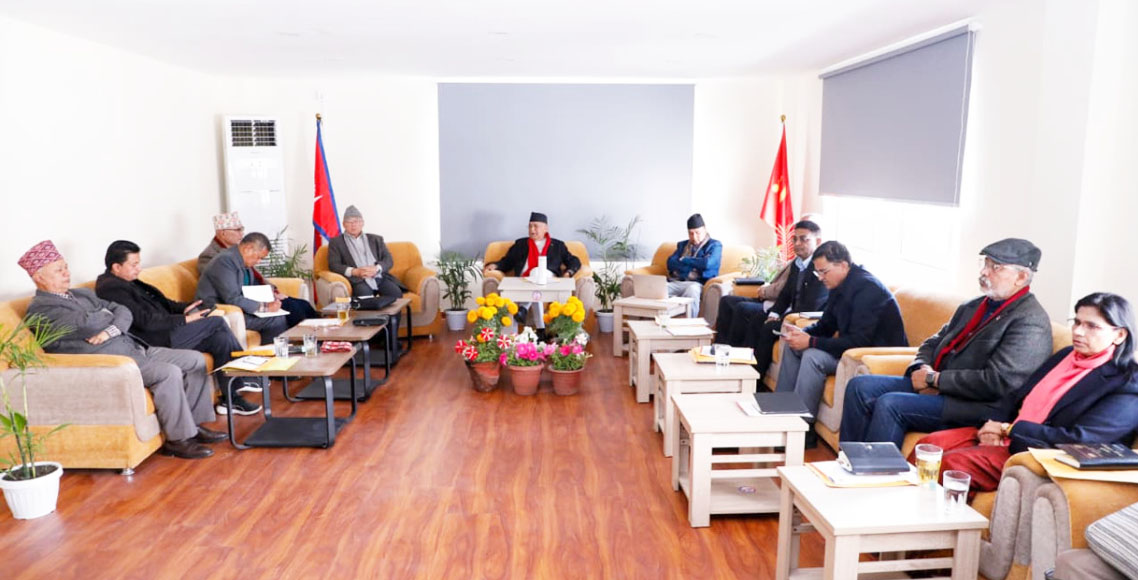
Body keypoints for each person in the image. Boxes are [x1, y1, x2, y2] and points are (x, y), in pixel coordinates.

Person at [909, 292, 1138, 493]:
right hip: (1009, 434)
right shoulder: (1067, 355)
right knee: (929, 447)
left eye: (1092, 326)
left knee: (952, 465)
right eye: (1076, 322)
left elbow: (1081, 440)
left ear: (1120, 335)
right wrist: (992, 425)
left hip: (1042, 454)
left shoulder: (1127, 383)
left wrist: (1008, 429)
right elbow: (1016, 395)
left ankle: (935, 526)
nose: (1078, 331)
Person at [841, 239, 1054, 449]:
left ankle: (876, 469)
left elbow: (998, 382)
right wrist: (922, 368)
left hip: (978, 405)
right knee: (859, 386)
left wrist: (936, 380)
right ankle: (850, 460)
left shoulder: (1030, 320)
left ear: (1021, 277)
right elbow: (933, 342)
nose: (984, 272)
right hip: (941, 387)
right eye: (985, 264)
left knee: (891, 404)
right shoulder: (974, 305)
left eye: (995, 267)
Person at [19, 240, 223, 459]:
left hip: (135, 347)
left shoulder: (81, 294)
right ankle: (179, 440)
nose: (66, 273)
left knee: (194, 360)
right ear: (39, 277)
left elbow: (123, 310)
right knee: (168, 372)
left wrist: (111, 329)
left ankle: (193, 426)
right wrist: (107, 315)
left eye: (66, 267)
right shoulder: (41, 310)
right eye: (59, 270)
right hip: (112, 362)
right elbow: (89, 324)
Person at [95, 240, 261, 416]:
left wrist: (186, 307)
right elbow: (145, 321)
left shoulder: (127, 281)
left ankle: (231, 399)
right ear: (116, 267)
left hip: (167, 329)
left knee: (219, 339)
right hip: (155, 338)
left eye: (139, 263)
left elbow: (163, 304)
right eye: (134, 264)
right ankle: (243, 376)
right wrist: (185, 319)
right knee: (216, 323)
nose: (139, 268)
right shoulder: (111, 288)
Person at [776, 241, 907, 447]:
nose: (820, 278)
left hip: (871, 359)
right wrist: (803, 334)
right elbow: (826, 325)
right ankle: (779, 415)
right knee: (794, 346)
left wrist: (811, 342)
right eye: (818, 272)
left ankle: (802, 430)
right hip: (849, 351)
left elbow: (859, 341)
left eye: (824, 272)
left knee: (812, 356)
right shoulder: (838, 285)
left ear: (843, 265)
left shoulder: (869, 290)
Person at [717, 219, 826, 348]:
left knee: (765, 325)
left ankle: (754, 361)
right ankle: (734, 353)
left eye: (803, 239)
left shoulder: (820, 268)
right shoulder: (798, 263)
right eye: (794, 239)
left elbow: (810, 305)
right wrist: (774, 313)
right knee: (756, 318)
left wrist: (782, 317)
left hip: (803, 318)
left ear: (817, 241)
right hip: (787, 311)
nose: (797, 243)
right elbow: (786, 293)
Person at [197, 212, 318, 328]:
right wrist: (264, 306)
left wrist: (272, 292)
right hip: (224, 309)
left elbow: (254, 280)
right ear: (222, 233)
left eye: (242, 229)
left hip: (247, 300)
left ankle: (320, 334)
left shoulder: (239, 255)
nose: (241, 234)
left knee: (302, 305)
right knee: (284, 315)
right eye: (237, 230)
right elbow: (231, 295)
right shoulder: (221, 259)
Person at [483, 212, 580, 328]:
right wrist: (495, 265)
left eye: (535, 226)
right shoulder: (521, 244)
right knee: (536, 286)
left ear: (545, 228)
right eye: (530, 226)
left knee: (537, 272)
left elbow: (574, 261)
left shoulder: (558, 245)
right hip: (524, 281)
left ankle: (523, 308)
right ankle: (540, 329)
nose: (532, 230)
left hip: (549, 281)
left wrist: (569, 272)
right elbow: (507, 261)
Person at [326, 205, 405, 341]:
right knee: (364, 297)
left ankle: (391, 339)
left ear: (362, 223)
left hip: (379, 277)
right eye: (349, 222)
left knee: (395, 294)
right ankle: (369, 339)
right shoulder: (336, 242)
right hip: (359, 280)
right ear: (344, 224)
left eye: (357, 221)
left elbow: (388, 260)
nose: (353, 225)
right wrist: (354, 271)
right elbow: (334, 265)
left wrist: (376, 268)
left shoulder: (376, 239)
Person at [195, 232, 290, 344]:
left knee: (280, 315)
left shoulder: (242, 261)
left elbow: (249, 289)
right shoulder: (225, 261)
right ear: (248, 248)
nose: (258, 262)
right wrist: (265, 307)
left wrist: (269, 298)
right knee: (275, 320)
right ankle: (271, 353)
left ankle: (275, 351)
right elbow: (232, 298)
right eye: (259, 257)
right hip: (218, 311)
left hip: (237, 309)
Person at [665, 214, 723, 318]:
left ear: (704, 229)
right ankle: (659, 323)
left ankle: (689, 324)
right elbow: (670, 263)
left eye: (697, 233)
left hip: (696, 283)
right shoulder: (682, 245)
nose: (694, 237)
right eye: (691, 233)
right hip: (677, 282)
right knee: (660, 289)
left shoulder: (715, 245)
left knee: (692, 290)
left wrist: (685, 260)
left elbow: (707, 263)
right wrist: (692, 267)